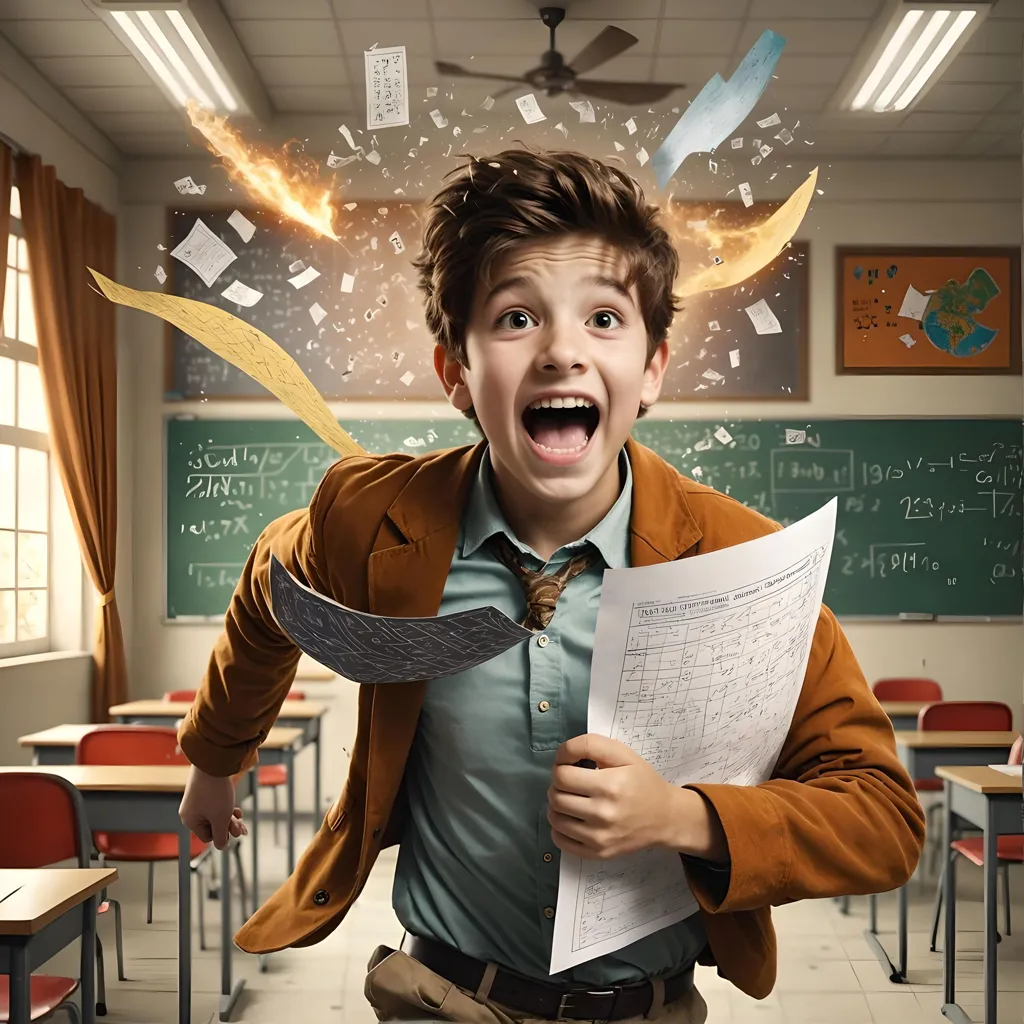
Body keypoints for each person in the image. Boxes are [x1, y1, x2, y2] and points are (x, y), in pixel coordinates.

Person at [177, 150, 926, 1024]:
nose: (562, 351)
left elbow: (882, 817)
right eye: (517, 317)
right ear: (455, 370)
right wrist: (216, 761)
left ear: (651, 368)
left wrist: (686, 818)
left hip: (648, 1009)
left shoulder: (744, 565)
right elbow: (271, 591)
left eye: (605, 318)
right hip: (441, 997)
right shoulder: (371, 521)